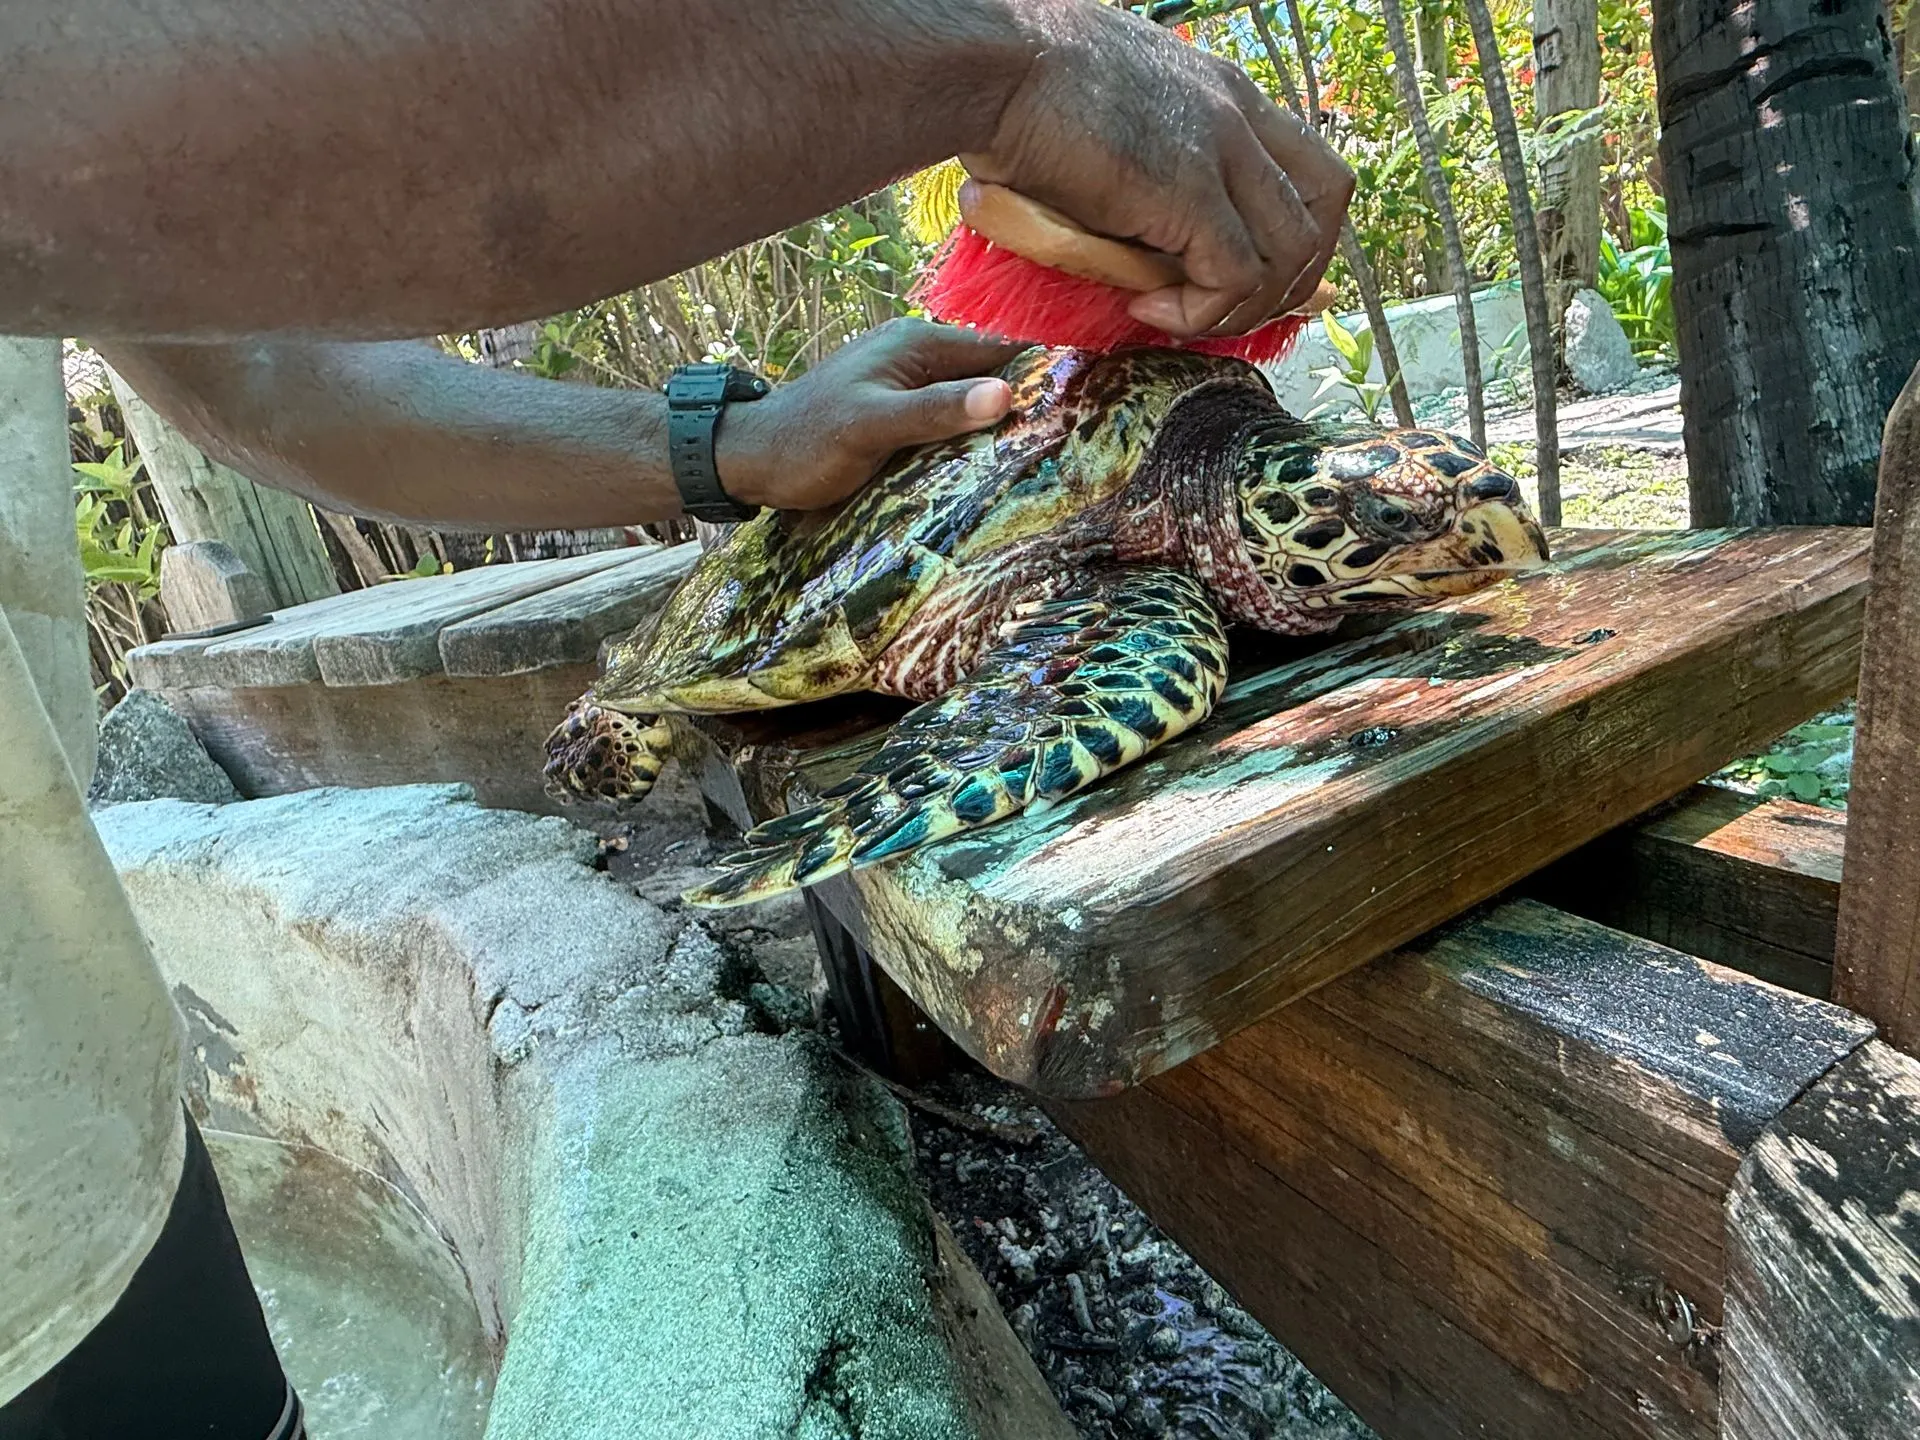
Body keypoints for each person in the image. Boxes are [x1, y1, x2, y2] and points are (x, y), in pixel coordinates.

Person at [0, 2, 1352, 1434]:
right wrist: (997, 60)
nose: (1409, 533)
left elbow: (251, 361)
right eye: (1364, 521)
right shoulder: (1144, 626)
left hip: (64, 1096)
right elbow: (54, 123)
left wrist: (725, 441)